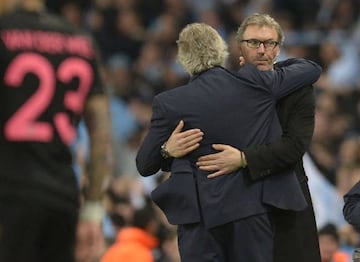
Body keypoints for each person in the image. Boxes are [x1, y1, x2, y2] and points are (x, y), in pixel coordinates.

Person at [136, 22, 321, 261]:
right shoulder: (255, 83)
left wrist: (166, 150)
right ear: (222, 49)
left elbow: (144, 165)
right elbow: (311, 69)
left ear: (182, 58)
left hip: (200, 221)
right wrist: (272, 66)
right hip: (250, 214)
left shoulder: (169, 103)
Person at [0, 1, 112, 262]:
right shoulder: (80, 42)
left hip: (9, 194)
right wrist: (93, 209)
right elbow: (101, 133)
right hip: (62, 197)